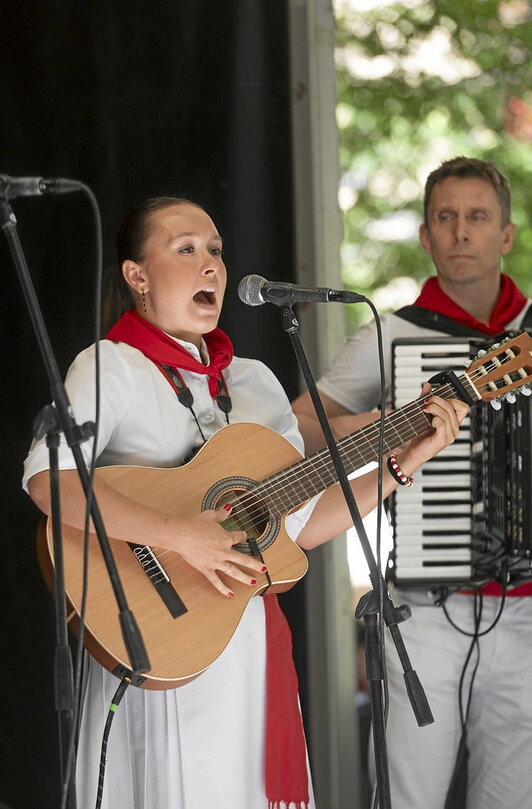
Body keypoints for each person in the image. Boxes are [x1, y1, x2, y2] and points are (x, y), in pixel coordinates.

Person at [23, 196, 465, 809]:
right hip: (156, 633)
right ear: (137, 276)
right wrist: (182, 536)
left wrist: (401, 464)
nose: (211, 265)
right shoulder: (110, 367)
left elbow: (300, 528)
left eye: (216, 251)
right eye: (186, 249)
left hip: (243, 644)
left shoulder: (255, 382)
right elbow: (51, 482)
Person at [292, 156, 532, 809]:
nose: (460, 232)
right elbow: (301, 427)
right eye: (445, 218)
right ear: (426, 236)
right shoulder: (393, 333)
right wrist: (383, 424)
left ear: (505, 234)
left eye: (477, 217)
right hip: (424, 609)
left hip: (527, 611)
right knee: (407, 796)